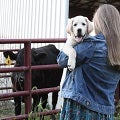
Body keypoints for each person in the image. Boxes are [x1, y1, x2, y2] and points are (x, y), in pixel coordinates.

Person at [57, 4, 120, 120]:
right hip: (106, 112)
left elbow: (61, 60)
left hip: (81, 109)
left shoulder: (90, 45)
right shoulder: (117, 49)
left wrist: (70, 43)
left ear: (98, 23)